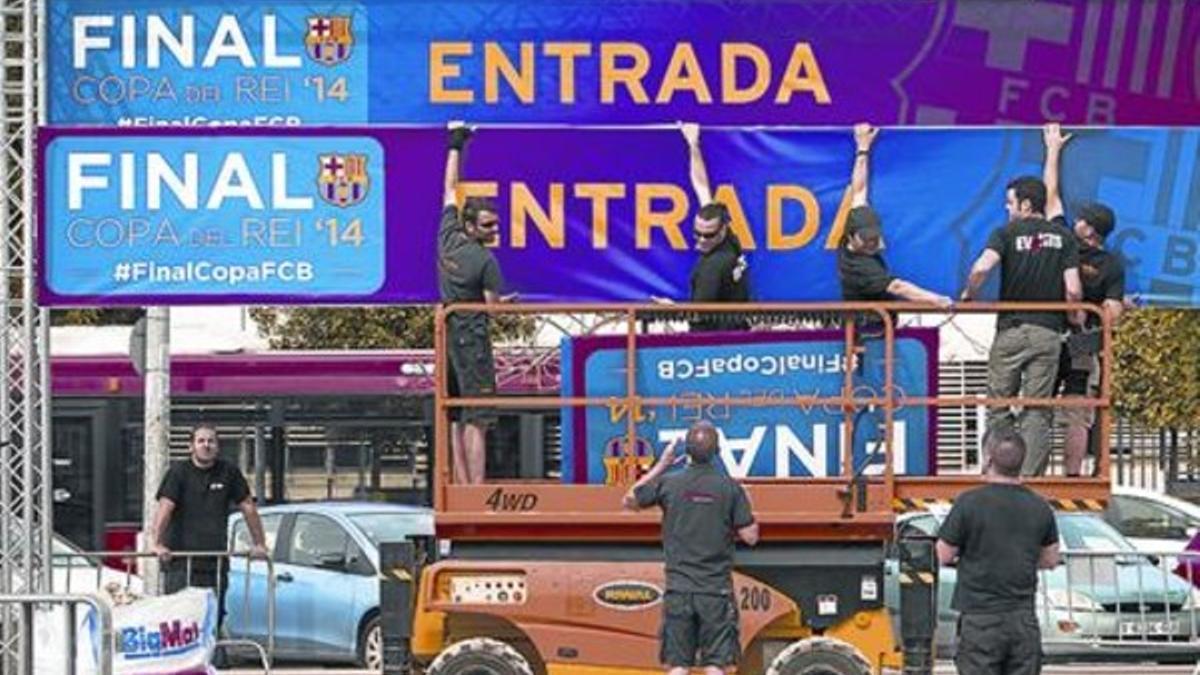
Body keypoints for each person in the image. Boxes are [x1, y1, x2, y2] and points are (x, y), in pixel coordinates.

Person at [961, 174, 1083, 476]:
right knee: (1038, 409)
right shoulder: (1065, 238)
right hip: (1047, 333)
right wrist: (1073, 315)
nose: (1007, 208)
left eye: (1010, 202)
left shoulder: (1005, 234)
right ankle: (1030, 478)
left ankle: (998, 472)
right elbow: (1073, 290)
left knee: (998, 405)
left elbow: (981, 268)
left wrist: (969, 295)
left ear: (1026, 204)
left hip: (1012, 330)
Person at [623, 421, 759, 675]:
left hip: (679, 589)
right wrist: (744, 504)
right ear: (718, 452)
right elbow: (750, 536)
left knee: (678, 666)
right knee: (716, 665)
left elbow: (629, 499)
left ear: (686, 452)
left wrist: (661, 465)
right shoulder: (730, 488)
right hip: (715, 591)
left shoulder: (669, 484)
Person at [937, 429, 1060, 675]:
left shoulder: (968, 503)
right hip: (1023, 620)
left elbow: (942, 554)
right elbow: (1050, 559)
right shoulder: (1040, 506)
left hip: (980, 620)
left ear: (988, 460)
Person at [1042, 123, 1126, 476]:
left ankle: (1034, 471)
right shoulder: (1113, 265)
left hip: (1050, 335)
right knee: (1077, 410)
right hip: (1082, 343)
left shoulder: (1062, 240)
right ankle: (1072, 475)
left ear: (1090, 229)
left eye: (1082, 219)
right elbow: (1114, 313)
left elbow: (1050, 197)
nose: (1075, 221)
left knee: (1039, 405)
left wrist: (1052, 151)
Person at [438, 122, 516, 484]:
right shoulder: (486, 261)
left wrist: (455, 144)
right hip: (472, 339)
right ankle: (475, 489)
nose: (493, 231)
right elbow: (494, 310)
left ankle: (459, 482)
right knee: (477, 420)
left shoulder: (448, 236)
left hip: (447, 337)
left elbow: (449, 188)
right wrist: (508, 303)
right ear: (472, 226)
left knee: (453, 414)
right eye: (488, 225)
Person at [149, 425, 268, 639]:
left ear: (217, 446)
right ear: (191, 446)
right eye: (201, 441)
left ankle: (211, 661)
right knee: (180, 619)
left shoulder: (229, 472)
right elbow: (165, 508)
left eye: (211, 441)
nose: (206, 445)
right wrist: (157, 543)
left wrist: (259, 543)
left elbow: (248, 507)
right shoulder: (178, 472)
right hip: (180, 562)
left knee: (214, 616)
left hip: (215, 562)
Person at [837, 123, 952, 307]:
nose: (872, 243)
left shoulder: (854, 228)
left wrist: (863, 148)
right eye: (866, 240)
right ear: (851, 237)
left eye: (874, 237)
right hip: (870, 331)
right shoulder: (860, 267)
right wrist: (936, 300)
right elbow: (898, 287)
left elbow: (859, 189)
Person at [660, 123, 750, 331]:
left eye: (708, 236)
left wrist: (669, 310)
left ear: (723, 230)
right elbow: (701, 186)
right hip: (739, 335)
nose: (701, 240)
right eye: (697, 233)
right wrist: (693, 145)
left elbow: (698, 320)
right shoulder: (727, 237)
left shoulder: (712, 268)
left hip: (718, 350)